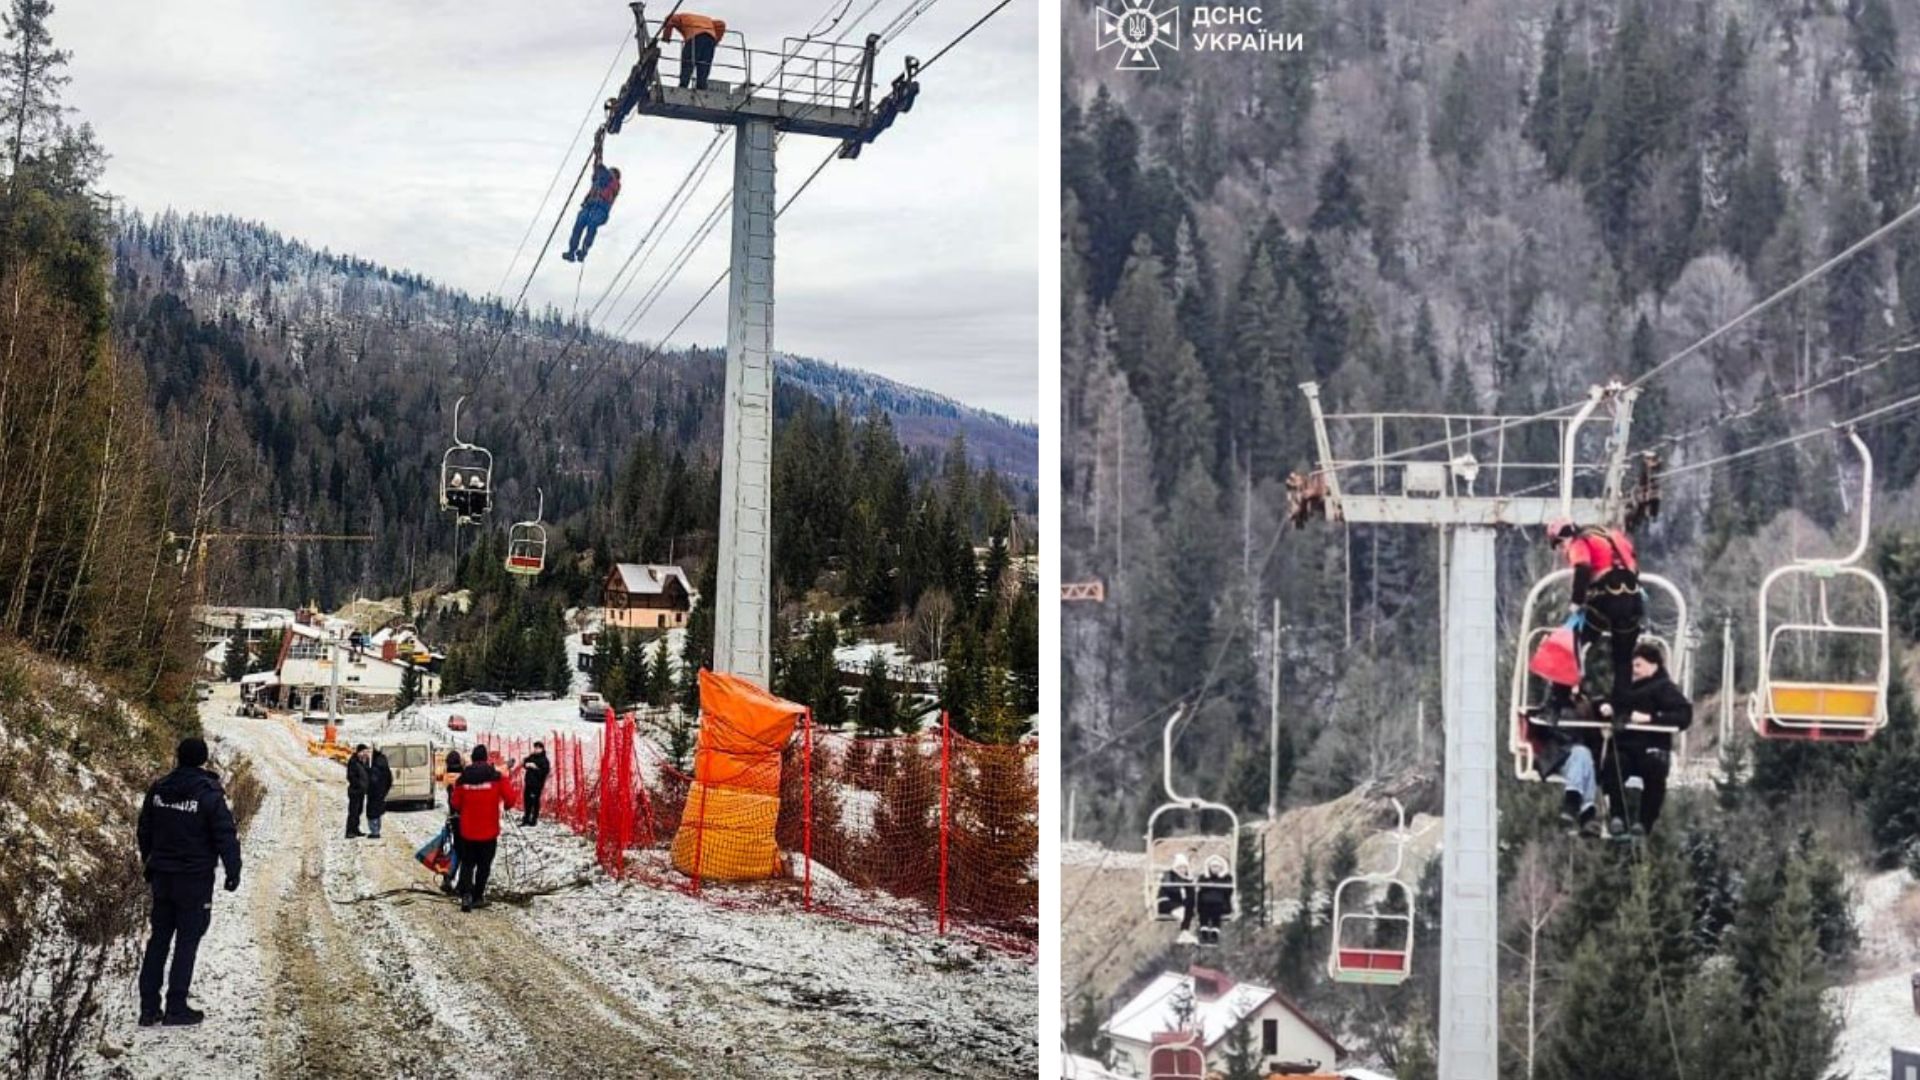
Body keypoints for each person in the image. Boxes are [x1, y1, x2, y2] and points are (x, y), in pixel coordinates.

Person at [136, 737, 242, 1027]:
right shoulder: (209, 794)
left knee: (158, 939)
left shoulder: (159, 789)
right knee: (187, 941)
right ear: (203, 760)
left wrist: (150, 861)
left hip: (163, 877)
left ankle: (148, 1008)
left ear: (178, 756)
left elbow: (144, 828)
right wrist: (233, 870)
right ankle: (176, 1006)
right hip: (194, 880)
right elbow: (225, 834)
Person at [1546, 519, 1644, 719]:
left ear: (1564, 538)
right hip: (1632, 600)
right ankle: (1622, 711)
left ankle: (1558, 700)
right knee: (1623, 658)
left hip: (1605, 599)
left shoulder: (1579, 542)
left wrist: (1576, 602)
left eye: (1560, 545)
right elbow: (1633, 565)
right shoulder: (1614, 537)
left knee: (1570, 644)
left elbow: (1583, 567)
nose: (1562, 550)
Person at [1600, 642, 1693, 838]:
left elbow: (1684, 715)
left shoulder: (1664, 688)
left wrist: (1651, 718)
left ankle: (1644, 821)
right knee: (1614, 763)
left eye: (1638, 665)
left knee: (1654, 770)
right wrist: (1606, 707)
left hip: (1652, 748)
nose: (1634, 670)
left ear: (1653, 666)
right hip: (1626, 748)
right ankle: (1617, 814)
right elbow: (1608, 700)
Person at [449, 744, 506, 912]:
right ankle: (478, 897)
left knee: (467, 863)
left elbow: (455, 803)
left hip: (468, 831)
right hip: (489, 831)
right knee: (484, 865)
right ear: (486, 758)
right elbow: (510, 798)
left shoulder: (462, 779)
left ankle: (466, 895)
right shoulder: (496, 776)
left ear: (472, 759)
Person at [562, 132, 622, 263]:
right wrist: (598, 143)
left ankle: (583, 251)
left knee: (592, 225)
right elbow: (598, 162)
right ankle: (572, 251)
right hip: (589, 207)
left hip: (601, 210)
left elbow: (602, 168)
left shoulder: (615, 184)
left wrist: (600, 163)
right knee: (579, 224)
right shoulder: (599, 178)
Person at [661, 11, 728, 90]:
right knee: (704, 64)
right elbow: (721, 24)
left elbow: (670, 20)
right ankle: (701, 86)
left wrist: (666, 37)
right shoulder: (705, 20)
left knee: (688, 61)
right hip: (710, 38)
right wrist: (716, 41)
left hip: (695, 37)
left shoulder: (678, 17)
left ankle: (683, 85)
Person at [1155, 852, 1197, 945]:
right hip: (1165, 901)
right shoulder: (1169, 875)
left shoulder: (1186, 878)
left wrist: (1189, 883)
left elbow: (1191, 895)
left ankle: (1184, 933)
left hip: (1178, 903)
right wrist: (1183, 884)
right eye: (1179, 867)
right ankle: (1184, 933)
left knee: (1189, 910)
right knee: (1184, 912)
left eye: (1184, 867)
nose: (1182, 870)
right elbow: (1170, 888)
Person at [1194, 855, 1234, 947]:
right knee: (1204, 910)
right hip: (1205, 902)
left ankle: (1214, 934)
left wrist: (1214, 887)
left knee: (1216, 909)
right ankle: (1204, 932)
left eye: (1217, 866)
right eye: (1213, 866)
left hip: (1221, 903)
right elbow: (1200, 890)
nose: (1215, 869)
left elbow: (1228, 891)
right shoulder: (1204, 877)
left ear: (1221, 867)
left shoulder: (1226, 877)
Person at [521, 741, 550, 827]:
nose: (536, 749)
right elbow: (524, 762)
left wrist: (535, 768)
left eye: (538, 748)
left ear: (542, 749)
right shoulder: (532, 756)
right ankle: (526, 819)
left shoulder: (544, 760)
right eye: (535, 748)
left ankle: (534, 820)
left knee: (535, 802)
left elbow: (544, 772)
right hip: (528, 783)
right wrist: (526, 764)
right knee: (527, 801)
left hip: (537, 785)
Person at [366, 747, 393, 839]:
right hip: (381, 793)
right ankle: (376, 830)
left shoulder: (375, 767)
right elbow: (390, 780)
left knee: (372, 811)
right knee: (377, 811)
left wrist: (368, 789)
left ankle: (375, 832)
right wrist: (385, 790)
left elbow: (373, 781)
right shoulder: (385, 766)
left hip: (374, 793)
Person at [345, 744, 370, 838]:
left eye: (366, 752)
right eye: (363, 752)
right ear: (359, 752)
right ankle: (349, 831)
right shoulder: (353, 761)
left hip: (362, 791)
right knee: (353, 812)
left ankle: (356, 829)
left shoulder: (364, 762)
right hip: (354, 791)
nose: (365, 754)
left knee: (359, 811)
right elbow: (350, 776)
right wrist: (358, 784)